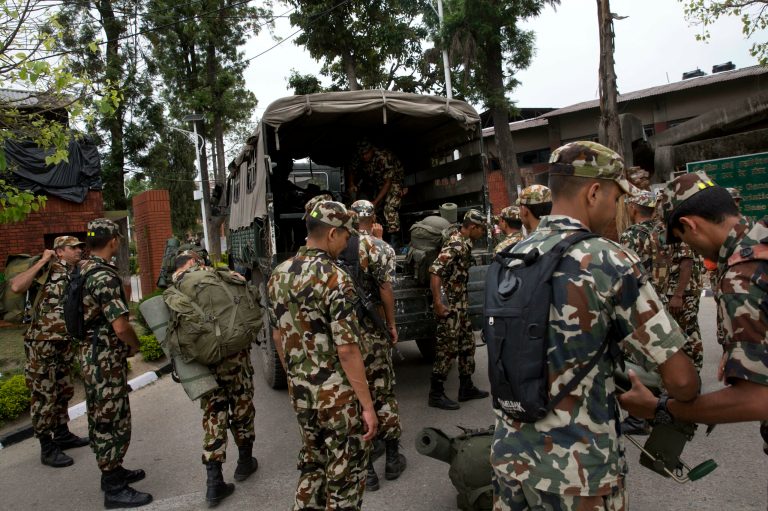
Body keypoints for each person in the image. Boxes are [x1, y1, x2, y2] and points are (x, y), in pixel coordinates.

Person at [491, 141, 699, 510]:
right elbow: (682, 379)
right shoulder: (608, 260)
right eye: (617, 196)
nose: (618, 207)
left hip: (511, 459)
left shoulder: (509, 257)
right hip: (579, 473)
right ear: (594, 192)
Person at [619, 171, 768, 460]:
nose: (693, 251)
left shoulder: (742, 276)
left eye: (681, 238)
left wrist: (660, 408)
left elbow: (757, 399)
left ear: (689, 224)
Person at [268, 200, 378, 510]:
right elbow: (346, 349)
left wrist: (293, 377)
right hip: (338, 399)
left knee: (312, 465)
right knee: (344, 474)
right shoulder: (335, 277)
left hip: (302, 394)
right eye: (346, 235)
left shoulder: (279, 274)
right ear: (331, 234)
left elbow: (278, 335)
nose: (348, 242)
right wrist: (368, 406)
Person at [170, 252, 258, 507]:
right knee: (242, 405)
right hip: (235, 356)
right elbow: (248, 296)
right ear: (196, 262)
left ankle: (214, 483)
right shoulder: (219, 276)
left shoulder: (175, 289)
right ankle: (244, 463)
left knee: (213, 414)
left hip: (203, 363)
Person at [80, 218, 152, 509]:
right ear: (113, 241)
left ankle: (112, 470)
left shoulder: (83, 268)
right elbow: (121, 326)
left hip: (91, 353)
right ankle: (113, 487)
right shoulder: (103, 276)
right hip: (104, 357)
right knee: (113, 418)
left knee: (100, 414)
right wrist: (135, 346)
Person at [9, 236, 90, 468]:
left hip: (64, 341)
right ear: (60, 251)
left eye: (80, 248)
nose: (78, 251)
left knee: (63, 390)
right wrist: (42, 260)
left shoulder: (77, 271)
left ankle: (62, 434)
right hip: (41, 342)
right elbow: (16, 286)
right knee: (44, 393)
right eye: (73, 248)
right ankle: (47, 446)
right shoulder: (46, 268)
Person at [345, 199, 406, 491]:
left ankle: (367, 471)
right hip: (375, 331)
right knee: (384, 391)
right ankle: (393, 458)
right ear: (374, 219)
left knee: (358, 395)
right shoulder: (382, 248)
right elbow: (386, 289)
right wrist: (391, 325)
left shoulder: (339, 245)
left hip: (347, 333)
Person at [427, 209, 490, 410]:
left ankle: (466, 387)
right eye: (482, 230)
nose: (483, 234)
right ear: (472, 227)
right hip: (450, 306)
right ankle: (435, 394)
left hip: (461, 306)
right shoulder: (456, 244)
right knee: (447, 349)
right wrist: (438, 302)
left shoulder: (465, 242)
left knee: (467, 345)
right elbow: (435, 271)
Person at [350, 140, 405, 243]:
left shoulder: (384, 157)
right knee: (372, 209)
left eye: (366, 153)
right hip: (378, 182)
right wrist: (352, 184)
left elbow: (388, 183)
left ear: (372, 150)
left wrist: (375, 202)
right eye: (362, 154)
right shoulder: (358, 157)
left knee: (389, 209)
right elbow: (352, 170)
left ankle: (394, 241)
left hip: (393, 182)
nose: (364, 156)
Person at [619, 190, 667, 299]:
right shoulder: (663, 231)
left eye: (629, 206)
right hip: (662, 296)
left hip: (643, 298)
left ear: (633, 208)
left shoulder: (631, 234)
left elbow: (626, 270)